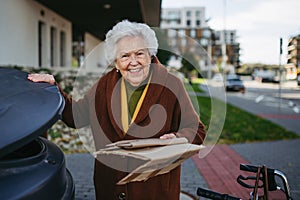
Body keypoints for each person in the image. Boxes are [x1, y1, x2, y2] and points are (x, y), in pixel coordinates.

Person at [28, 20, 206, 200]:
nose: (133, 62)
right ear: (116, 62)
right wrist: (53, 89)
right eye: (125, 56)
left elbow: (196, 129)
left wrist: (177, 138)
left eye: (139, 53)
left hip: (154, 191)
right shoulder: (105, 84)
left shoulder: (171, 84)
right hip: (110, 188)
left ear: (150, 55)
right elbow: (77, 116)